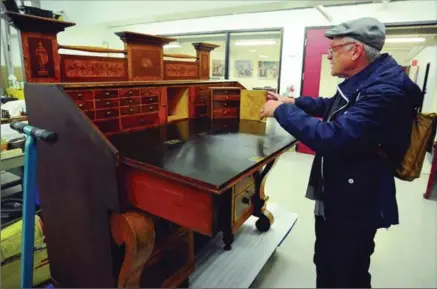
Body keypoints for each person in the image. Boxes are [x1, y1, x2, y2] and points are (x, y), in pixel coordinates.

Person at [260, 17, 423, 288]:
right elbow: (332, 105)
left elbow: (337, 138)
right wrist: (294, 101)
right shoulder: (370, 79)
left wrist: (281, 111)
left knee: (345, 273)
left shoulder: (385, 91)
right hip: (342, 191)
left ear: (355, 50)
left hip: (355, 203)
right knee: (327, 261)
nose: (328, 56)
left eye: (333, 49)